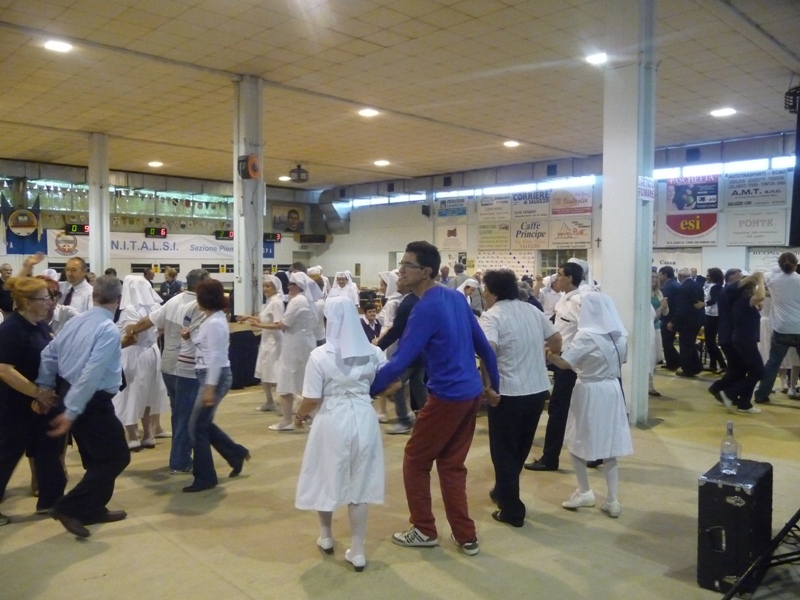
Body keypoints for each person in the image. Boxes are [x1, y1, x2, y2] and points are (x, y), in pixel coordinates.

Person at [370, 241, 499, 557]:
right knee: (452, 465)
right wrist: (493, 386)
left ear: (425, 271)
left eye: (407, 265)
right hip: (469, 395)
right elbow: (484, 348)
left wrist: (365, 391)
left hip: (447, 397)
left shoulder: (424, 308)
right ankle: (466, 536)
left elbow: (400, 362)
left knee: (415, 460)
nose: (400, 271)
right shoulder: (454, 298)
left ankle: (424, 529)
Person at [293, 297, 388, 572]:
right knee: (360, 482)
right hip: (364, 417)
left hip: (332, 418)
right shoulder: (373, 352)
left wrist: (299, 417)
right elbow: (392, 382)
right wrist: (365, 393)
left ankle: (326, 535)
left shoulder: (319, 355)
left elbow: (311, 398)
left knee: (326, 474)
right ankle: (358, 550)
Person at [37, 275, 131, 538]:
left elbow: (48, 354)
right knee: (116, 457)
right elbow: (91, 373)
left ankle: (93, 509)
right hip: (91, 400)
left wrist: (46, 388)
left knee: (95, 458)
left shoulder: (76, 321)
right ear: (119, 299)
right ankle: (68, 507)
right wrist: (72, 411)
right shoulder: (108, 329)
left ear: (94, 295)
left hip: (72, 392)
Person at [478, 269, 560, 527]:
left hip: (508, 393)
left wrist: (488, 387)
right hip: (536, 390)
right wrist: (545, 358)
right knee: (521, 447)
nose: (483, 294)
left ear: (493, 292)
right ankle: (503, 490)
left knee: (503, 451)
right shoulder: (532, 310)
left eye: (485, 290)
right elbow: (556, 340)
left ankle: (512, 510)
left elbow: (488, 352)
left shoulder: (491, 316)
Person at [545, 292, 633, 518]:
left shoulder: (585, 337)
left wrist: (549, 354)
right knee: (610, 445)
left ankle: (585, 491)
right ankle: (612, 500)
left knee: (577, 440)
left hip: (589, 390)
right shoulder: (620, 335)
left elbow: (565, 364)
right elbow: (622, 360)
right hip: (612, 389)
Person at [124, 269, 210, 475]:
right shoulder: (199, 306)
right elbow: (198, 338)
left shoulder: (174, 300)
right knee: (186, 416)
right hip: (186, 367)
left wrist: (132, 330)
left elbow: (150, 320)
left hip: (168, 365)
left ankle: (179, 456)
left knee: (178, 413)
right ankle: (180, 461)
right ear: (201, 285)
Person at [0, 277, 63, 526]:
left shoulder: (40, 325)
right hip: (15, 406)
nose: (49, 303)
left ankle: (50, 501)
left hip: (40, 406)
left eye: (50, 297)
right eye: (44, 298)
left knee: (48, 451)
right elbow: (4, 370)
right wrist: (37, 393)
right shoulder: (12, 329)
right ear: (27, 302)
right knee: (7, 455)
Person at [182, 279, 249, 492]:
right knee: (202, 424)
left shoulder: (215, 323)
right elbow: (205, 348)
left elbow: (216, 357)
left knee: (195, 427)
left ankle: (206, 477)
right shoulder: (210, 319)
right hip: (208, 375)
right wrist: (190, 337)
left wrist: (210, 388)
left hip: (214, 377)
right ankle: (235, 453)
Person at [525, 262, 583, 472]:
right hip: (560, 360)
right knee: (565, 410)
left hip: (569, 364)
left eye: (560, 275)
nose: (556, 279)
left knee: (559, 411)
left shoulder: (578, 302)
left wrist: (567, 357)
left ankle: (550, 458)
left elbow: (584, 333)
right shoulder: (563, 300)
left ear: (570, 278)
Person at [113, 275, 169, 451]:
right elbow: (162, 328)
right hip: (153, 353)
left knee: (129, 394)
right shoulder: (156, 307)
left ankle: (131, 435)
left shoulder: (129, 310)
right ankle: (148, 434)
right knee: (148, 394)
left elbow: (132, 335)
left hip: (134, 355)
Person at [269, 272, 322, 431]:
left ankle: (287, 420)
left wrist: (260, 325)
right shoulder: (310, 300)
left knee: (286, 381)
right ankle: (310, 415)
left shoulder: (297, 301)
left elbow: (284, 324)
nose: (288, 287)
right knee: (307, 380)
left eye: (290, 284)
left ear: (298, 286)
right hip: (307, 341)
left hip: (294, 343)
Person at [754, 252, 800, 404]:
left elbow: (763, 282)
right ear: (796, 265)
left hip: (782, 328)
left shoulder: (773, 281)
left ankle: (761, 395)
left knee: (773, 363)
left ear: (780, 265)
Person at [718, 272, 766, 414]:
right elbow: (761, 296)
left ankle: (745, 404)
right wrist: (760, 279)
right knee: (758, 371)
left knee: (753, 371)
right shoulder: (745, 300)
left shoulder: (741, 300)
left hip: (743, 339)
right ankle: (729, 393)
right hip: (745, 340)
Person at [239, 275, 284, 413]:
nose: (265, 289)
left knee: (275, 372)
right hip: (266, 340)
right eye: (264, 286)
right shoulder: (269, 302)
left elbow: (278, 325)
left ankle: (291, 401)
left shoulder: (276, 303)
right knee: (265, 372)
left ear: (275, 287)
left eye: (268, 286)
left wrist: (258, 325)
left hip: (274, 342)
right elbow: (264, 318)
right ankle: (269, 401)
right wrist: (248, 317)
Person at [667, 267, 705, 377]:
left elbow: (681, 308)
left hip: (687, 321)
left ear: (679, 276)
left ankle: (688, 369)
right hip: (697, 319)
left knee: (685, 345)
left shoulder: (683, 288)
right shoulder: (697, 285)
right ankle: (696, 366)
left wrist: (673, 322)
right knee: (690, 344)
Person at [702, 267, 726, 373]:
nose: (707, 277)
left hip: (713, 316)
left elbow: (713, 300)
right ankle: (712, 364)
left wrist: (703, 304)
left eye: (708, 275)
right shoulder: (718, 286)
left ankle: (722, 364)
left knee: (710, 342)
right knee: (710, 342)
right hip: (714, 315)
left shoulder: (715, 287)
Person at [657, 266, 680, 371]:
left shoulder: (669, 287)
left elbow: (670, 305)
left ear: (665, 275)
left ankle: (675, 362)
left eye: (660, 275)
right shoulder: (675, 284)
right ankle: (672, 362)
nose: (659, 278)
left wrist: (671, 321)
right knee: (668, 342)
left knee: (667, 343)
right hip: (672, 318)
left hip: (668, 319)